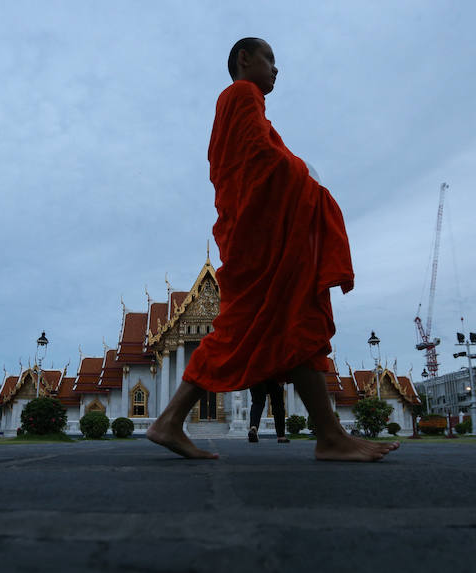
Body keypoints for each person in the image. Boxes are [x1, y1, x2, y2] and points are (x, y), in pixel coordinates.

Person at [147, 37, 398, 462]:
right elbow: (258, 161)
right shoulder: (241, 94)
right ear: (245, 59)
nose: (276, 69)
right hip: (260, 236)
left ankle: (329, 435)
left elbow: (253, 161)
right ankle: (170, 420)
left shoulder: (241, 104)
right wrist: (308, 180)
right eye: (270, 59)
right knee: (262, 321)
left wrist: (301, 179)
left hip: (262, 232)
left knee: (291, 321)